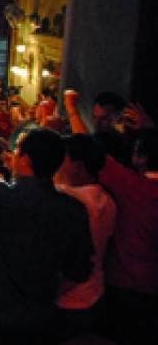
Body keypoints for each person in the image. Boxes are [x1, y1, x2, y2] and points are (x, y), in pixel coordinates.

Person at [0, 127, 94, 344]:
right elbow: (80, 271)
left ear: (25, 159)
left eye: (16, 151)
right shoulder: (73, 210)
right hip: (39, 319)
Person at [66, 90, 158, 344]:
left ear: (140, 158)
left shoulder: (134, 188)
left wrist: (71, 109)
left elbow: (91, 151)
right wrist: (150, 130)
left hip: (123, 285)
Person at [54, 133, 117, 340]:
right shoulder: (107, 200)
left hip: (64, 300)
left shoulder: (68, 199)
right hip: (94, 293)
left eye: (60, 159)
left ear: (77, 166)